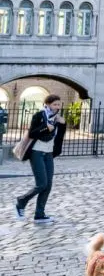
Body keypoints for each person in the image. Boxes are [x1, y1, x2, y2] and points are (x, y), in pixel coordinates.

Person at [15, 93, 67, 224]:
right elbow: (32, 133)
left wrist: (63, 125)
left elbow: (59, 138)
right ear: (48, 104)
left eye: (59, 104)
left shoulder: (58, 119)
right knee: (42, 184)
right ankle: (22, 201)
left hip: (48, 153)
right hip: (36, 152)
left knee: (48, 185)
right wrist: (45, 128)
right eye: (54, 104)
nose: (57, 107)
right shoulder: (39, 115)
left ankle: (39, 214)